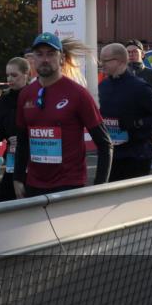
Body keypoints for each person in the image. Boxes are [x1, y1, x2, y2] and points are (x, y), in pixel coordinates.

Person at [13, 33, 112, 197]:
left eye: (51, 54)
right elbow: (23, 140)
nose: (45, 59)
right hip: (34, 185)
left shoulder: (78, 94)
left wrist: (99, 188)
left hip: (69, 185)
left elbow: (105, 143)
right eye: (39, 54)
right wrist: (17, 178)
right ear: (33, 59)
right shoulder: (26, 94)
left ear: (62, 58)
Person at [98, 43, 152, 182]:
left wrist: (137, 123)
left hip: (137, 155)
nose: (102, 64)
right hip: (112, 153)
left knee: (131, 201)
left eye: (105, 61)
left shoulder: (139, 86)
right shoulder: (103, 85)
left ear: (119, 61)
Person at [0, 57, 30, 200]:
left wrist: (24, 139)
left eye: (14, 75)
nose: (10, 78)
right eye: (8, 75)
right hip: (12, 158)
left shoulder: (36, 95)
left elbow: (45, 126)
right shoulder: (3, 100)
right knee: (4, 201)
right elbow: (3, 129)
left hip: (34, 157)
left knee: (29, 201)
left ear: (26, 74)